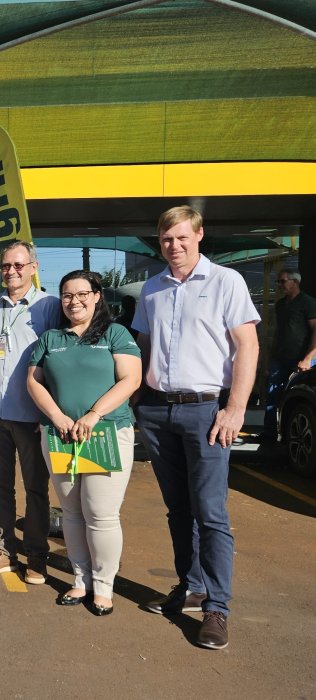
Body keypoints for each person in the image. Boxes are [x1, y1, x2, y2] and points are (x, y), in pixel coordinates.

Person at [133, 205, 259, 650]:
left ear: (199, 235)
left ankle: (217, 609)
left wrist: (236, 408)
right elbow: (142, 348)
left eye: (183, 237)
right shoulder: (152, 289)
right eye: (167, 240)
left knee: (210, 513)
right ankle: (190, 587)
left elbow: (247, 346)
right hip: (157, 412)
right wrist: (136, 401)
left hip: (207, 411)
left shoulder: (226, 282)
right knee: (178, 510)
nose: (175, 246)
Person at [26, 270, 141, 615]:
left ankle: (104, 586)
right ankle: (81, 580)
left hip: (105, 433)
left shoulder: (114, 334)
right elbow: (34, 383)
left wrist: (93, 414)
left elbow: (131, 378)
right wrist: (57, 418)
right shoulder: (50, 339)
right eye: (66, 295)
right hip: (61, 436)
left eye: (81, 294)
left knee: (101, 513)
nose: (73, 301)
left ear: (96, 296)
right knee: (73, 513)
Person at [0, 241, 61, 583]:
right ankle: (3, 550)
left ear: (33, 267)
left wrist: (53, 411)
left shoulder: (49, 306)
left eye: (19, 265)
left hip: (32, 414)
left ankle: (36, 555)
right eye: (6, 266)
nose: (12, 271)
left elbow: (58, 359)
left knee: (37, 488)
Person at [263, 269, 316, 441]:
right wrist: (271, 357)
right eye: (278, 281)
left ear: (295, 282)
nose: (280, 285)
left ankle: (293, 436)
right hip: (280, 357)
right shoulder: (280, 305)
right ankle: (269, 433)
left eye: (283, 281)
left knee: (297, 396)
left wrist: (308, 358)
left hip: (301, 360)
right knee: (272, 395)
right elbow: (278, 331)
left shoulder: (308, 303)